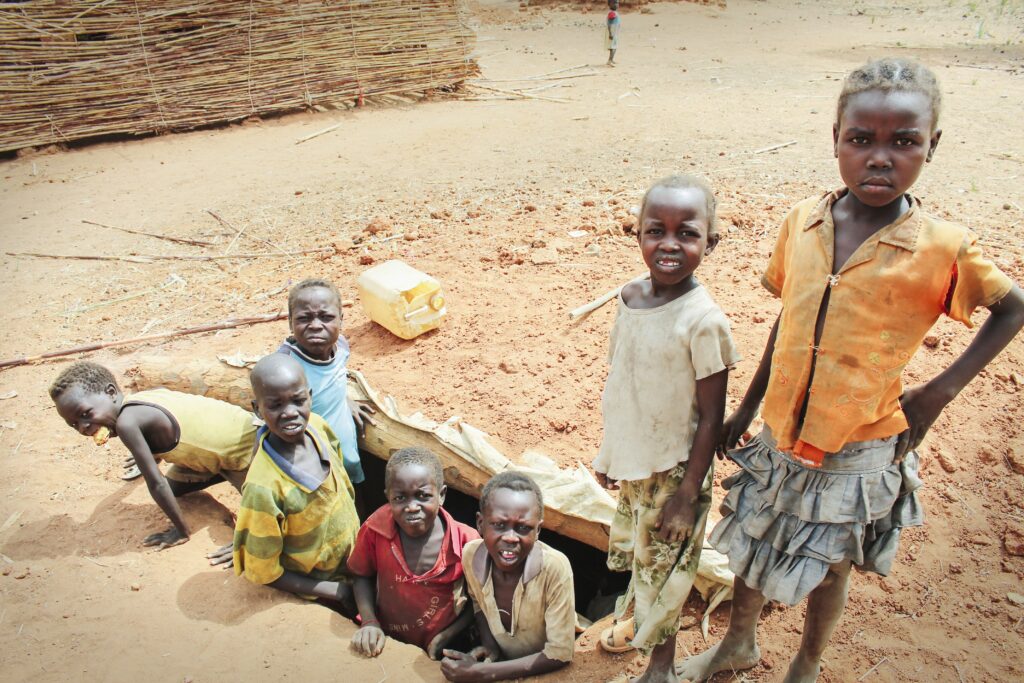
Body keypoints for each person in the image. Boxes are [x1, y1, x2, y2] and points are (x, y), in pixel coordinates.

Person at [678, 57, 1024, 683]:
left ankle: (806, 665)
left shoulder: (941, 247)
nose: (881, 158)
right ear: (835, 138)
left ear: (932, 146)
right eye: (861, 140)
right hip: (781, 431)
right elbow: (791, 318)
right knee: (754, 544)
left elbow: (1012, 307)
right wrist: (749, 406)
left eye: (905, 142)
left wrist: (937, 394)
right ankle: (738, 644)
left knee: (834, 561)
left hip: (859, 441)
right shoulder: (802, 224)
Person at [592, 175, 739, 683]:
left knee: (666, 571)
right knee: (644, 558)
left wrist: (687, 494)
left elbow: (711, 418)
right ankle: (640, 626)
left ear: (711, 243)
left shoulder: (703, 321)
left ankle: (661, 668)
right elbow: (622, 382)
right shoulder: (630, 297)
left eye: (688, 233)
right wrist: (611, 453)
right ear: (637, 234)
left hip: (676, 473)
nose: (670, 244)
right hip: (637, 461)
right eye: (657, 230)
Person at [50, 361, 257, 559]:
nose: (83, 427)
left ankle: (255, 539)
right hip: (232, 439)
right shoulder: (140, 400)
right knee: (174, 488)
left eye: (86, 413)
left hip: (250, 454)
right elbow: (167, 425)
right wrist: (149, 454)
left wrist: (181, 531)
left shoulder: (126, 424)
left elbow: (156, 484)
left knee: (262, 516)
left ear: (111, 393)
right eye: (74, 424)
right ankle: (219, 470)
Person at [232, 354, 359, 611]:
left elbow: (344, 488)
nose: (290, 413)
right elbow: (263, 571)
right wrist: (334, 591)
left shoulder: (318, 428)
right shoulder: (264, 488)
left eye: (298, 401)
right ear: (258, 409)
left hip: (356, 566)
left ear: (310, 396)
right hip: (323, 589)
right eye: (275, 405)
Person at [440, 472, 575, 682]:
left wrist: (480, 672)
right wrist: (491, 649)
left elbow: (560, 653)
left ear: (538, 530)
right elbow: (478, 603)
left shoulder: (554, 568)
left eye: (523, 528)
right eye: (499, 525)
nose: (511, 538)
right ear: (480, 523)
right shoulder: (471, 555)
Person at [348, 447, 479, 659]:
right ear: (388, 497)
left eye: (423, 496)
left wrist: (445, 637)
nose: (411, 507)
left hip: (444, 646)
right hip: (387, 642)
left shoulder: (466, 542)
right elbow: (361, 575)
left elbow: (479, 601)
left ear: (442, 495)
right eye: (400, 498)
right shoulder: (375, 529)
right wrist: (370, 621)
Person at [278, 278, 375, 512]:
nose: (315, 325)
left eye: (326, 317)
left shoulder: (340, 346)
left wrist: (344, 398)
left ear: (341, 320)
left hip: (347, 456)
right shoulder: (286, 371)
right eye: (304, 318)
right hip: (314, 467)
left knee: (356, 503)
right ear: (291, 323)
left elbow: (336, 375)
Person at [606, 0, 620, 67]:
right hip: (612, 31)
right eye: (614, 3)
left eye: (617, 3)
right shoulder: (612, 13)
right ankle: (609, 60)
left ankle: (611, 59)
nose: (616, 4)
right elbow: (609, 24)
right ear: (609, 4)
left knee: (614, 46)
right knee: (613, 47)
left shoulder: (614, 13)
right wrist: (610, 33)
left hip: (614, 31)